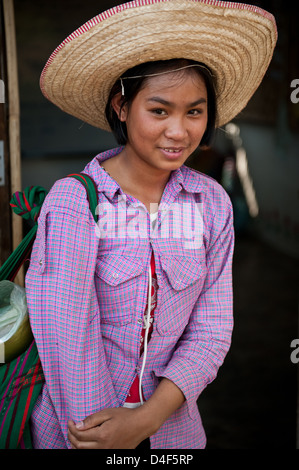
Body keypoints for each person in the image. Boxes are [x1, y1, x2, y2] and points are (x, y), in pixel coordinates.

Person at [25, 0, 277, 449]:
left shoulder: (211, 204)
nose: (178, 132)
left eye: (194, 112)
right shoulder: (76, 204)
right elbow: (67, 342)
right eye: (159, 111)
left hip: (175, 434)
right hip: (79, 432)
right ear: (122, 107)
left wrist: (146, 420)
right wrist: (106, 435)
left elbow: (211, 331)